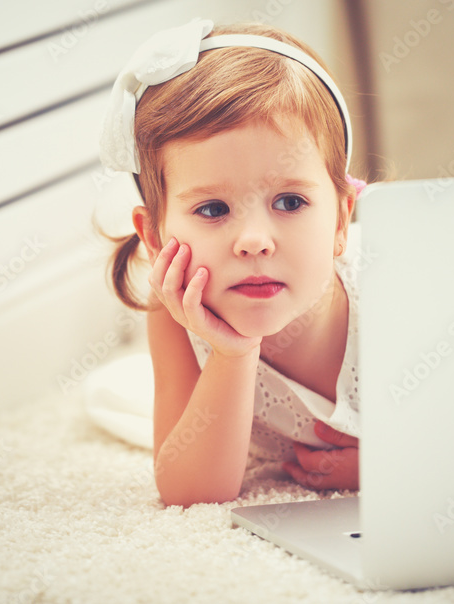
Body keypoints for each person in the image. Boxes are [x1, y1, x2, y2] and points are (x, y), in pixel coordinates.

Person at [99, 19, 367, 507]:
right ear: (155, 237)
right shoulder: (176, 312)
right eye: (213, 210)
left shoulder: (394, 286)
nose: (254, 242)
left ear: (341, 220)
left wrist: (384, 461)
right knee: (110, 396)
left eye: (289, 202)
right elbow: (191, 492)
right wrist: (233, 354)